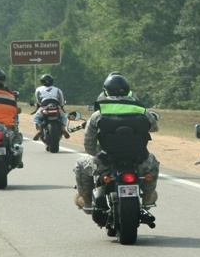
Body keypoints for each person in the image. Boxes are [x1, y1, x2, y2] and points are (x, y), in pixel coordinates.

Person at [73, 73, 160, 210]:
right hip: (138, 160)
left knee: (80, 165)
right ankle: (148, 197)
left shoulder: (98, 114)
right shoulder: (142, 110)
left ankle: (87, 200)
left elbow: (89, 143)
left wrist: (98, 154)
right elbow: (154, 127)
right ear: (128, 90)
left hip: (106, 162)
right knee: (153, 163)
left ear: (106, 92)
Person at [33, 74, 70, 140]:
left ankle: (39, 130)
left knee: (36, 117)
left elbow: (38, 100)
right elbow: (61, 100)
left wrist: (40, 105)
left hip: (44, 106)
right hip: (56, 105)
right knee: (63, 116)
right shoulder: (57, 89)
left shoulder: (38, 89)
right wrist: (61, 106)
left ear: (42, 81)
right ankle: (63, 128)